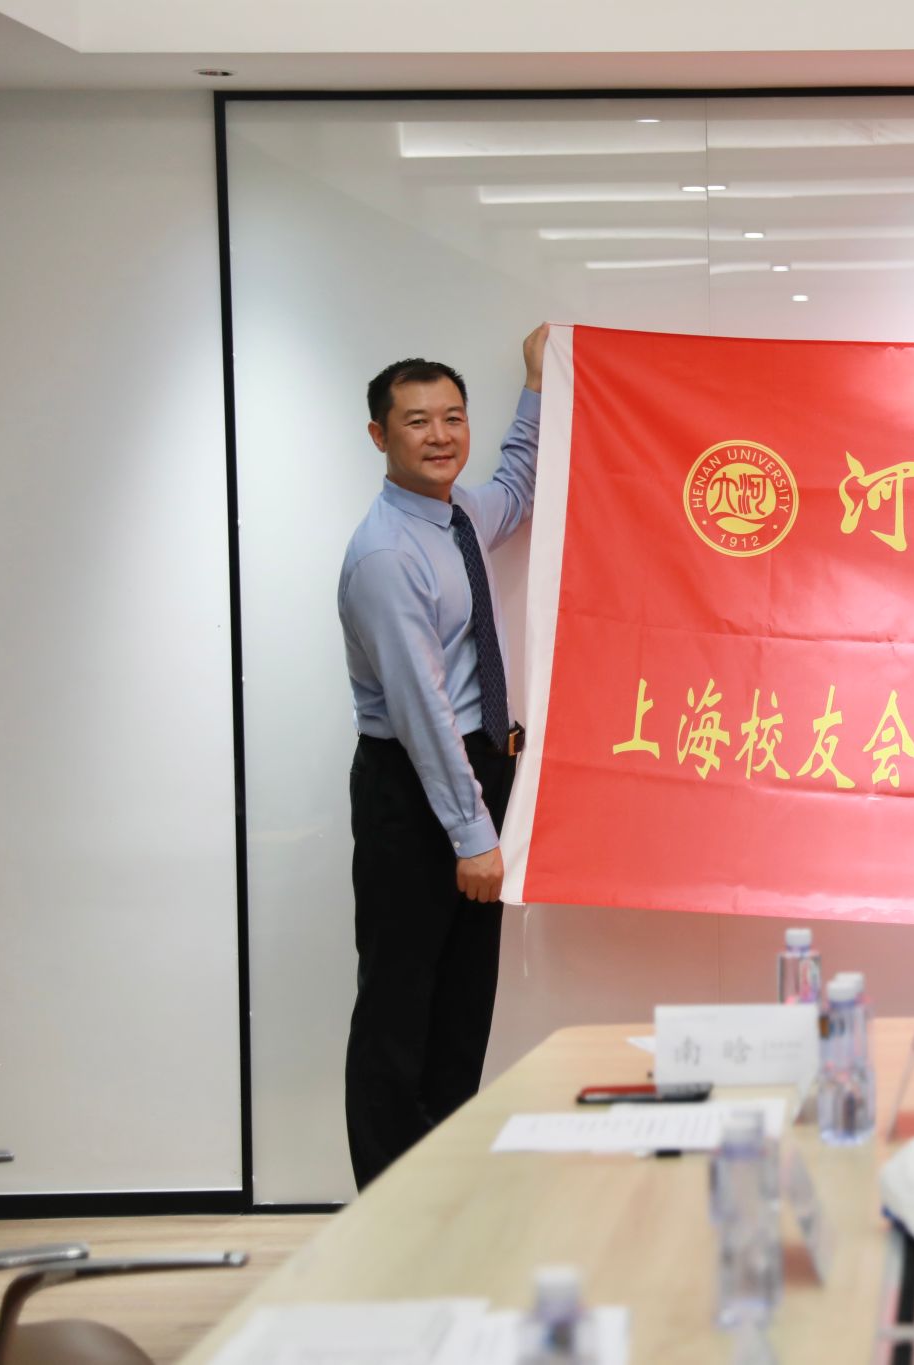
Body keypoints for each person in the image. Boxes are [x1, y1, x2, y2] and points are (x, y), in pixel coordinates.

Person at [339, 324, 547, 1189]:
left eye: (452, 417)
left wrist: (537, 383)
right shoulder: (388, 554)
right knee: (400, 1004)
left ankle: (442, 1188)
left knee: (462, 1004)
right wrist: (472, 832)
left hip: (473, 769)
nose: (440, 435)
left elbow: (517, 487)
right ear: (379, 434)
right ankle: (390, 1205)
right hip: (416, 787)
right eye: (417, 421)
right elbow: (422, 712)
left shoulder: (457, 517)